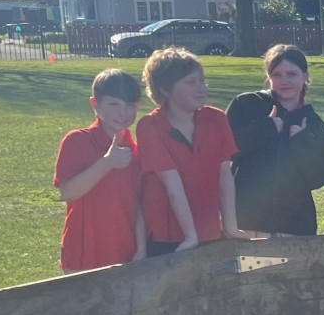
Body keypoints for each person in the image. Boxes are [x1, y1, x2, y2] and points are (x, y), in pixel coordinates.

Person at [135, 47, 247, 253]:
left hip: (210, 232)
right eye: (191, 82)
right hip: (168, 237)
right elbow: (173, 186)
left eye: (202, 81)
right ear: (165, 90)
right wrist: (190, 236)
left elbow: (224, 176)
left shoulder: (216, 118)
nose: (202, 88)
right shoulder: (150, 127)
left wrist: (230, 227)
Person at [226, 44, 324, 236]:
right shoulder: (246, 105)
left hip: (294, 226)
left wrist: (300, 142)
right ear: (269, 77)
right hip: (247, 221)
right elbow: (225, 151)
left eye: (291, 74)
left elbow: (317, 179)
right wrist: (266, 128)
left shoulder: (314, 124)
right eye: (277, 75)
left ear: (305, 76)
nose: (284, 81)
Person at [53, 68, 146, 272]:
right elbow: (68, 192)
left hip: (126, 252)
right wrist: (107, 162)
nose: (122, 113)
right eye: (113, 104)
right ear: (95, 104)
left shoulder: (136, 151)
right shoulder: (76, 140)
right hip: (83, 252)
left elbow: (139, 204)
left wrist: (141, 248)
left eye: (129, 105)